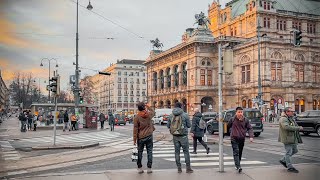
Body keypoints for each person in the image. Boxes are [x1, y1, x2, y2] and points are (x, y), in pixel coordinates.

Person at [167, 102, 193, 173]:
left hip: (175, 136)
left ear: (174, 107)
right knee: (186, 152)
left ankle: (179, 168)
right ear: (181, 106)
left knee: (177, 152)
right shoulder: (185, 115)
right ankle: (188, 168)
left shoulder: (171, 115)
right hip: (183, 136)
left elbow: (168, 125)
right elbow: (189, 125)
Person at [227, 106, 254, 173]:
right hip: (234, 138)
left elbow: (250, 128)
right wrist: (227, 134)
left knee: (240, 152)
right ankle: (238, 166)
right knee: (236, 152)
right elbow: (227, 126)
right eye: (239, 112)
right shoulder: (232, 119)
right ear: (236, 113)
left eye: (241, 112)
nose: (240, 113)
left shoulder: (246, 120)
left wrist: (251, 136)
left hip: (242, 138)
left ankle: (237, 164)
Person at [278, 107, 303, 173]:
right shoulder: (283, 118)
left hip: (292, 138)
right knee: (288, 152)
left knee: (295, 150)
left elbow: (293, 125)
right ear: (287, 112)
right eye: (291, 111)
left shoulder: (291, 118)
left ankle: (283, 160)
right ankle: (290, 167)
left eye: (293, 111)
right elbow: (286, 127)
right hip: (287, 138)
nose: (293, 112)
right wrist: (298, 128)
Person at [133, 102, 155, 174]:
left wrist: (134, 139)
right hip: (149, 136)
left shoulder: (136, 117)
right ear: (144, 107)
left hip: (141, 137)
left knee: (140, 152)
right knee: (150, 152)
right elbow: (153, 112)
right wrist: (148, 107)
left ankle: (140, 168)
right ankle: (149, 168)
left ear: (138, 109)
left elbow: (135, 129)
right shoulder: (148, 115)